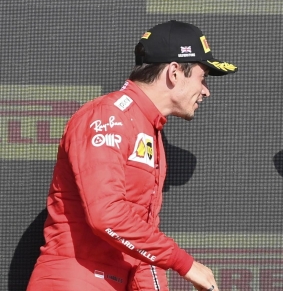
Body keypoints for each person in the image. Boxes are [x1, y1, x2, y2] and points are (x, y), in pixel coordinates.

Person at [27, 20, 237, 291]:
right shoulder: (107, 115)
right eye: (202, 76)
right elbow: (107, 216)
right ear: (174, 72)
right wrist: (185, 264)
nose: (206, 90)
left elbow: (138, 240)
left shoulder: (149, 129)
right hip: (75, 279)